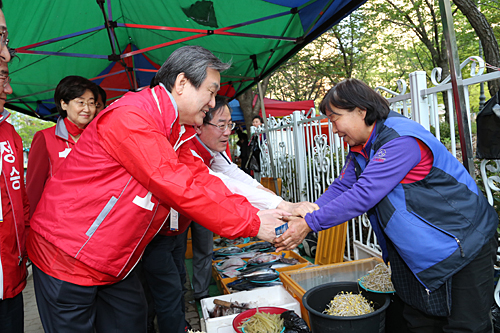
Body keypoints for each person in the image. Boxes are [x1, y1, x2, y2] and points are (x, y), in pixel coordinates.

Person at [27, 45, 287, 333]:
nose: (213, 103)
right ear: (182, 84)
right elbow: (177, 184)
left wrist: (266, 209)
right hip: (68, 255)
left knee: (134, 321)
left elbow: (202, 178)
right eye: (211, 92)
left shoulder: (173, 130)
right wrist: (252, 222)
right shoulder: (131, 116)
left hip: (114, 260)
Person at [275, 78, 498, 332]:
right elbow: (342, 186)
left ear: (361, 110)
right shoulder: (362, 147)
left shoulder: (399, 140)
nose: (333, 128)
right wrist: (306, 212)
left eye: (335, 118)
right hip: (418, 251)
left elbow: (363, 194)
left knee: (467, 326)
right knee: (419, 321)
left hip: (463, 242)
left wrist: (309, 223)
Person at [186, 96, 314, 302]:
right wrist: (274, 209)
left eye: (230, 125)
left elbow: (230, 172)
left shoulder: (212, 148)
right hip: (166, 222)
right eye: (221, 125)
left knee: (204, 247)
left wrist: (267, 194)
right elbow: (218, 182)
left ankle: (200, 294)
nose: (228, 132)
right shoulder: (186, 147)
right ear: (199, 124)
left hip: (198, 208)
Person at [26, 76, 99, 217]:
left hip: (87, 220)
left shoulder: (98, 139)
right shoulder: (45, 138)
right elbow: (33, 188)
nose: (87, 109)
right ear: (64, 104)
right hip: (52, 220)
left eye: (91, 103)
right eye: (81, 102)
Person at [0, 50, 30, 333]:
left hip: (11, 269)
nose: (8, 89)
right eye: (1, 78)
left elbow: (20, 198)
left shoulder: (10, 133)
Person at [246, 115, 264, 181]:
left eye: (257, 122)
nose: (254, 124)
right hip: (255, 157)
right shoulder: (253, 134)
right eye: (253, 122)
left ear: (261, 123)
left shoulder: (263, 133)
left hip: (262, 156)